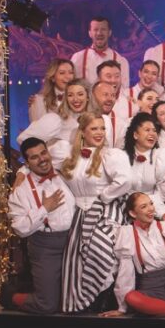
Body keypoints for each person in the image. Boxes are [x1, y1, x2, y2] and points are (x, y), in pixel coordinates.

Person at [51, 112, 132, 312]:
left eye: (102, 128)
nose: (99, 133)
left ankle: (103, 301)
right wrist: (20, 172)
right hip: (77, 214)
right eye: (94, 128)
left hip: (104, 210)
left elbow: (124, 181)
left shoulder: (111, 155)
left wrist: (103, 198)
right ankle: (82, 304)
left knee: (100, 250)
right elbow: (39, 164)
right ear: (83, 132)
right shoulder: (68, 154)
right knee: (77, 261)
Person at [1, 137, 76, 313]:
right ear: (27, 163)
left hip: (73, 242)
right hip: (45, 246)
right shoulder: (21, 190)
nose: (42, 159)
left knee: (74, 300)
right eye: (34, 157)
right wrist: (44, 209)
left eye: (43, 153)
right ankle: (11, 297)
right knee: (48, 304)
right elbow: (20, 228)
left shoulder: (64, 175)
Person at [124, 112, 165, 213]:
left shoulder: (161, 156)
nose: (152, 134)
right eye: (147, 130)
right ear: (135, 135)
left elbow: (161, 194)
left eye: (154, 131)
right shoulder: (122, 156)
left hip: (153, 207)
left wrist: (151, 209)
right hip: (124, 206)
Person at [17, 80, 92, 146]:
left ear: (88, 96)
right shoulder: (55, 120)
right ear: (66, 98)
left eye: (80, 94)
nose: (75, 99)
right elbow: (24, 140)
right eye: (70, 95)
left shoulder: (98, 120)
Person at [71, 16, 130, 86]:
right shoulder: (78, 58)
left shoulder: (120, 60)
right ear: (90, 33)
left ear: (109, 33)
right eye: (95, 30)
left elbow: (124, 90)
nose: (99, 33)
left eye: (103, 29)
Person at [28, 58, 75, 122]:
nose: (67, 76)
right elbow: (36, 129)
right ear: (52, 77)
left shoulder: (81, 99)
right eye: (62, 73)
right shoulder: (39, 101)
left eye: (71, 72)